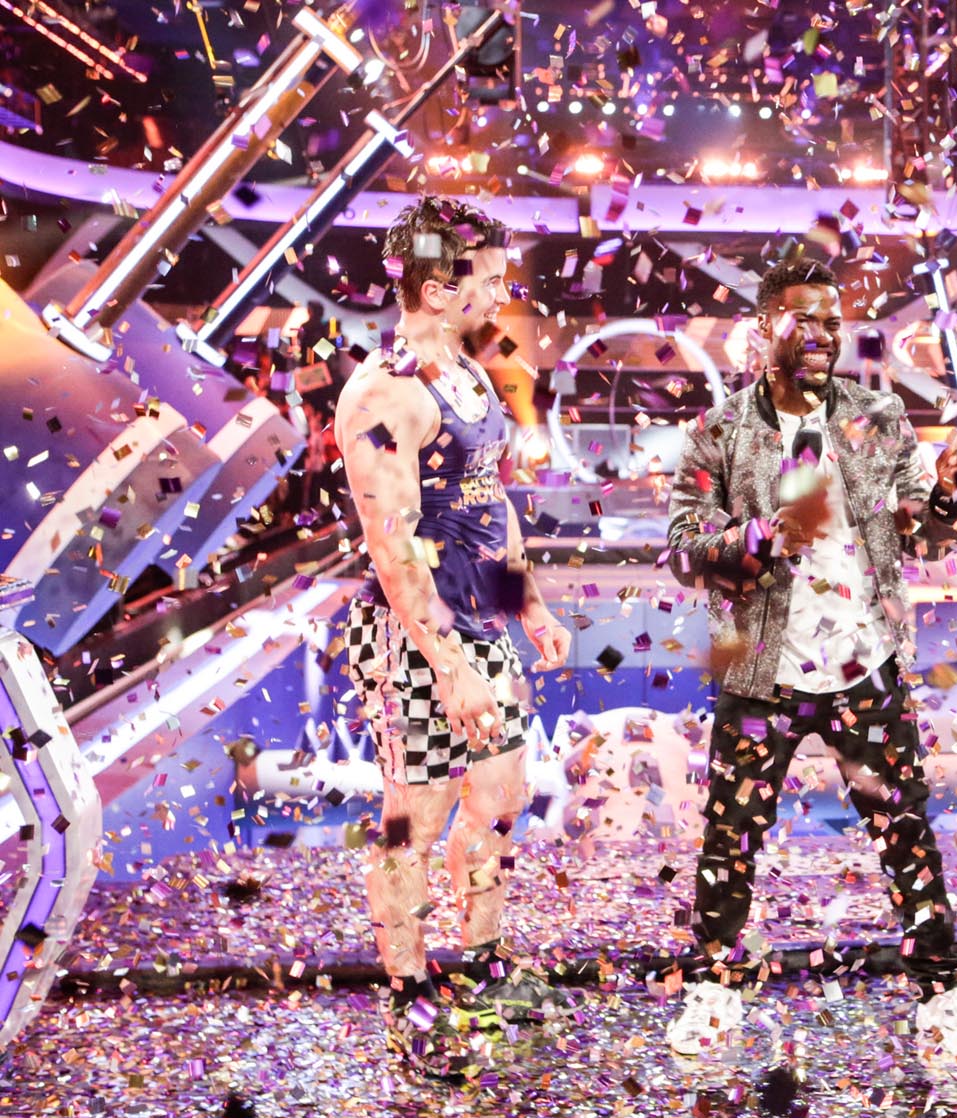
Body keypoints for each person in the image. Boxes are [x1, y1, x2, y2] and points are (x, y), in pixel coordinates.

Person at [663, 257, 957, 1065]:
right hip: (762, 671)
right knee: (730, 841)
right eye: (803, 319)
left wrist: (950, 493)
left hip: (865, 665)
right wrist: (757, 538)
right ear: (764, 327)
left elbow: (925, 538)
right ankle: (713, 994)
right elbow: (681, 550)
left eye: (831, 321)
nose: (821, 334)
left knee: (906, 835)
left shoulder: (879, 416)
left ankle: (943, 1000)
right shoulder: (720, 430)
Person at [335, 196, 574, 1077]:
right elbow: (393, 548)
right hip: (415, 638)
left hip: (480, 623)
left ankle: (483, 962)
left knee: (500, 801)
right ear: (438, 291)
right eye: (489, 279)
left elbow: (487, 499)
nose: (502, 292)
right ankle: (410, 991)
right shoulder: (383, 394)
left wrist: (528, 603)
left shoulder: (467, 371)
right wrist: (448, 666)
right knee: (417, 820)